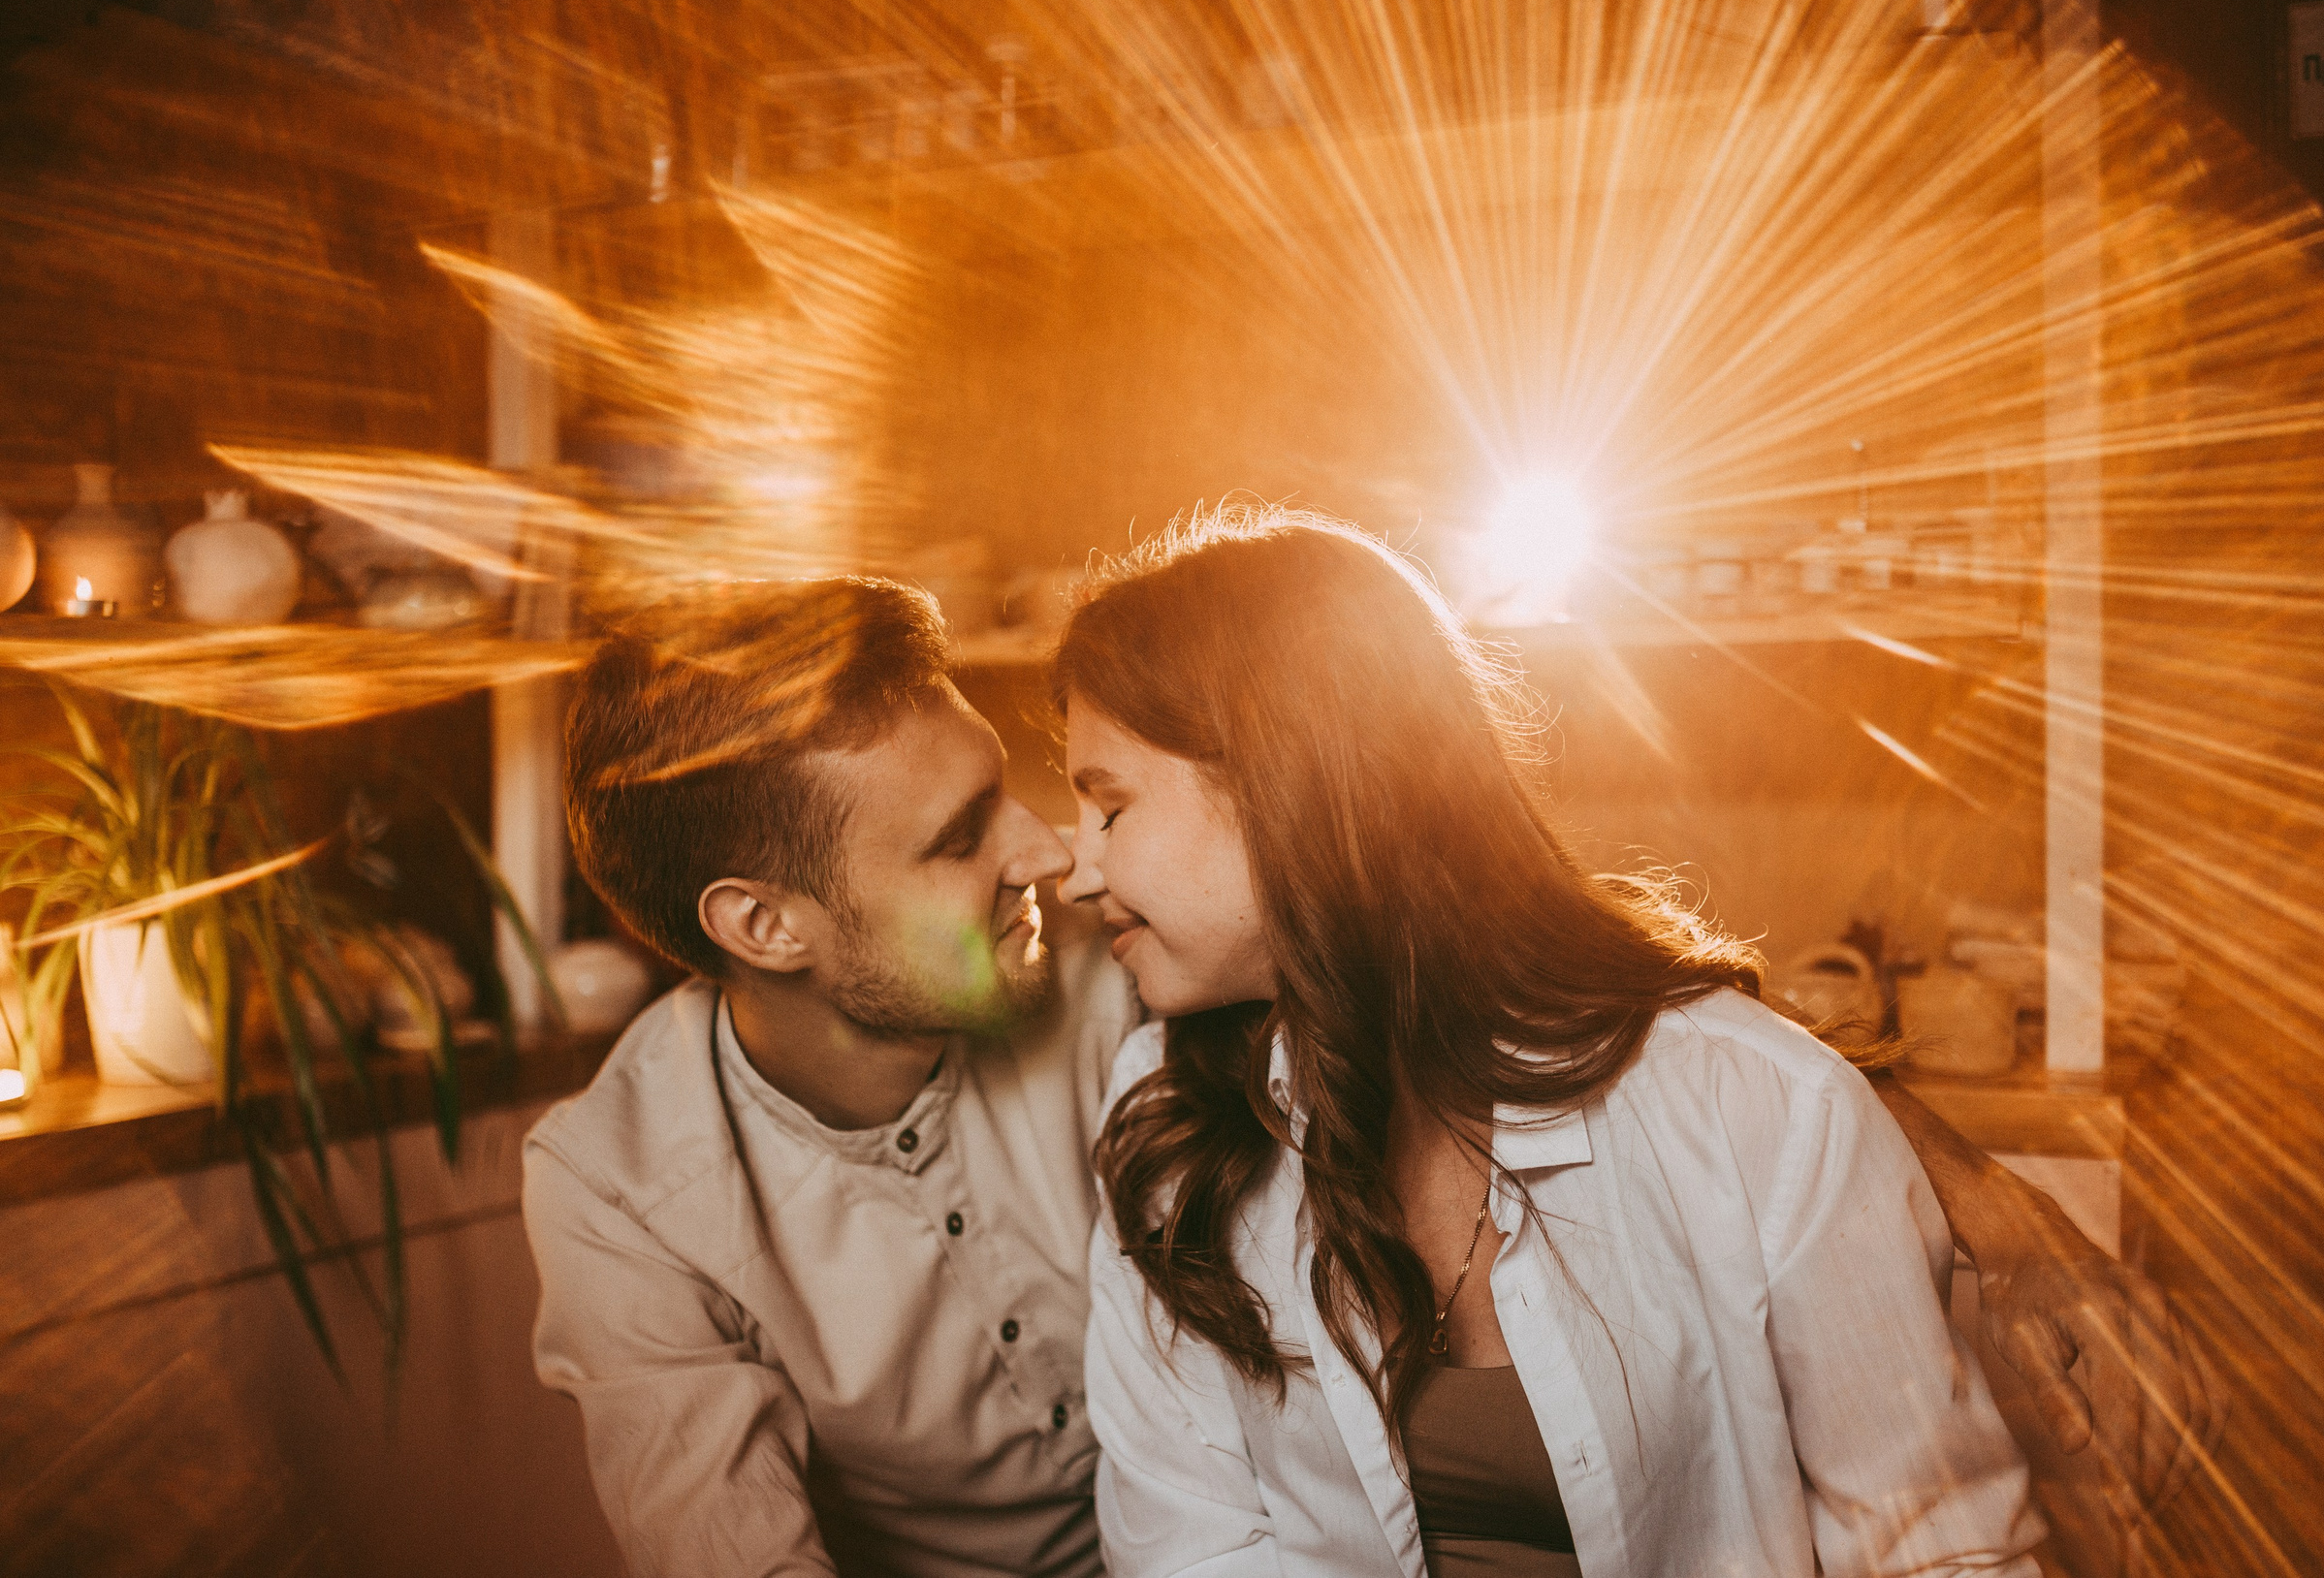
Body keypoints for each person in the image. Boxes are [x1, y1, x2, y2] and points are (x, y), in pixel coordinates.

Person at [524, 570, 2216, 1577]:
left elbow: (1519, 984)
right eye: (969, 836)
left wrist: (1967, 1192)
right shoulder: (613, 1189)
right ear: (765, 923)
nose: (1054, 853)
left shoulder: (1135, 1003)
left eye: (1074, 798)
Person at [1061, 509, 2205, 1578]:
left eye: (1109, 805)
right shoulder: (1169, 1117)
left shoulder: (1752, 1105)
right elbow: (1192, 1548)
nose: (1078, 867)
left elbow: (1935, 1547)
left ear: (1284, 782)